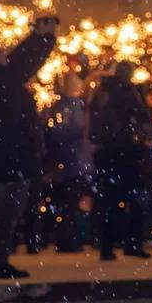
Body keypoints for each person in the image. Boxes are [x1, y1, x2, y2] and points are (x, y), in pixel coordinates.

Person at [0, 17, 57, 279]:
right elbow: (25, 61)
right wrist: (42, 38)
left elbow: (22, 59)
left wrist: (39, 37)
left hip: (4, 155)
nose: (3, 52)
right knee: (7, 211)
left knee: (1, 209)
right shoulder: (0, 80)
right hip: (11, 155)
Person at [89, 61, 152, 260]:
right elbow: (141, 114)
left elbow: (94, 119)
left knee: (109, 200)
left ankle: (107, 246)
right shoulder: (127, 91)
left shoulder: (102, 92)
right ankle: (132, 243)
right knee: (134, 199)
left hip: (105, 151)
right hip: (125, 151)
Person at [42, 72, 92, 252]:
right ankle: (68, 240)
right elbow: (73, 130)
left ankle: (64, 238)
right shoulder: (74, 106)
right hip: (75, 161)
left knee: (66, 203)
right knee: (71, 203)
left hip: (66, 161)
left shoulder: (59, 107)